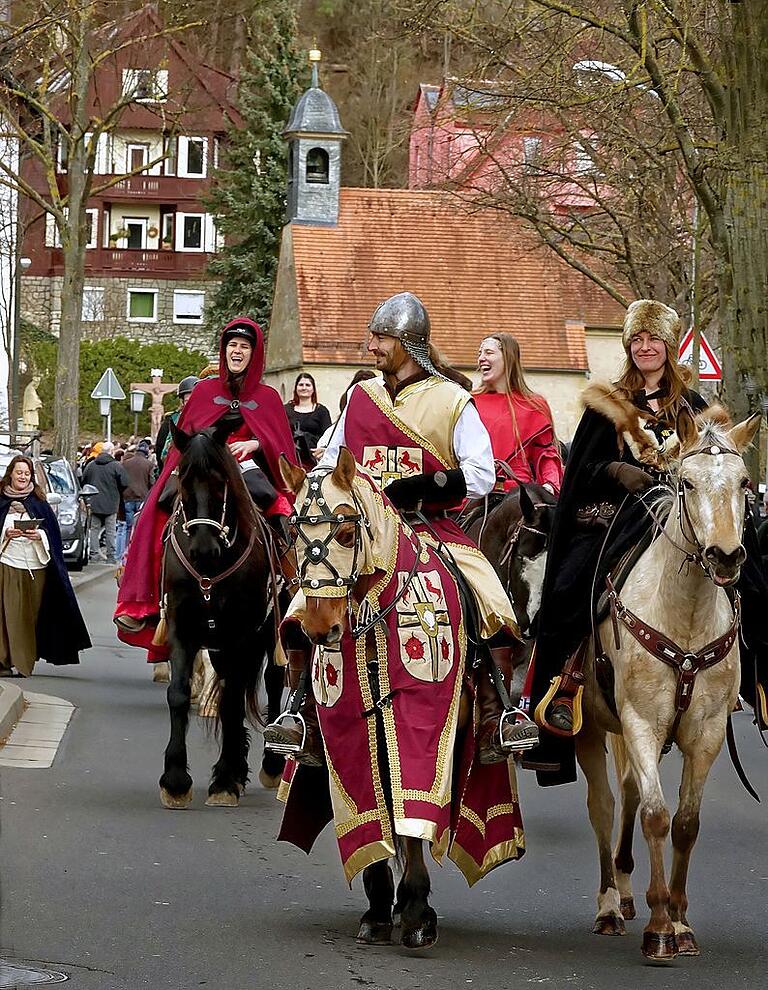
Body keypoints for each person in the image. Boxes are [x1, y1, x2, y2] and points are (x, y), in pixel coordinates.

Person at [275, 291, 537, 765]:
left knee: (488, 595)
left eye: (380, 338)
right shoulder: (359, 397)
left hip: (428, 526)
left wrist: (419, 486)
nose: (371, 347)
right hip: (356, 534)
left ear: (407, 343)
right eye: (373, 338)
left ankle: (494, 715)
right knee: (301, 604)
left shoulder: (452, 399)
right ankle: (302, 717)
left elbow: (481, 474)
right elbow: (330, 462)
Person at [526, 299, 768, 784]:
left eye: (652, 339)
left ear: (668, 346)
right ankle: (557, 702)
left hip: (684, 519)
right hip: (617, 519)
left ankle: (760, 683)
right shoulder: (608, 405)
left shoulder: (696, 409)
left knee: (754, 578)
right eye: (636, 340)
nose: (644, 347)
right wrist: (619, 470)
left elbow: (717, 469)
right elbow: (582, 472)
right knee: (563, 594)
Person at [114, 317, 297, 643]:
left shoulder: (267, 397)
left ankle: (287, 580)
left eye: (244, 347)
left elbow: (279, 442)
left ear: (253, 354)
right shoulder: (204, 392)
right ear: (223, 350)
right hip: (205, 464)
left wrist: (256, 442)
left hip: (246, 465)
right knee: (161, 504)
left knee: (275, 504)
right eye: (232, 345)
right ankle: (150, 599)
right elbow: (187, 433)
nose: (237, 351)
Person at [0, 455, 90, 676]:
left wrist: (38, 535)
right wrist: (5, 533)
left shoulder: (38, 502)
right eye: (19, 472)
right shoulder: (1, 499)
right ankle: (4, 662)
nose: (22, 477)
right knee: (8, 614)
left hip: (35, 566)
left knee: (29, 617)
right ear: (10, 473)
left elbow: (53, 535)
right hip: (7, 563)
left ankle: (24, 662)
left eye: (27, 473)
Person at [474, 333, 563, 494]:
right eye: (479, 353)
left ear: (508, 357)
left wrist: (550, 483)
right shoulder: (469, 402)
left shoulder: (534, 405)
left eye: (488, 352)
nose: (481, 358)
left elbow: (545, 454)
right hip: (476, 490)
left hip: (519, 492)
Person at [82, 440, 129, 564]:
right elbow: (125, 482)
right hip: (111, 501)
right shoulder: (116, 466)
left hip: (94, 501)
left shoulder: (91, 465)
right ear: (111, 452)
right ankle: (111, 556)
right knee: (111, 530)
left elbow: (84, 479)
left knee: (94, 529)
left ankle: (94, 554)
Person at [283, 373, 332, 469]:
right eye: (301, 385)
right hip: (291, 457)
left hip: (314, 458)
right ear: (296, 388)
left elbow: (328, 435)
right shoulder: (285, 410)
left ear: (313, 389)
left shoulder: (321, 411)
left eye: (308, 385)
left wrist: (323, 450)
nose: (304, 388)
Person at [155, 376, 199, 471]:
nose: (191, 404)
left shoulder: (207, 419)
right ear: (182, 402)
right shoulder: (172, 419)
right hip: (174, 468)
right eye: (187, 401)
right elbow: (160, 447)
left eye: (194, 400)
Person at [121, 439, 153, 540]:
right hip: (142, 497)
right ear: (146, 452)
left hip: (127, 497)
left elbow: (122, 480)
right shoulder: (149, 464)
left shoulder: (125, 463)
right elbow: (152, 482)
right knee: (140, 527)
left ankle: (125, 552)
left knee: (128, 527)